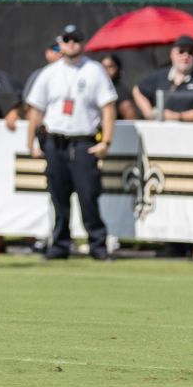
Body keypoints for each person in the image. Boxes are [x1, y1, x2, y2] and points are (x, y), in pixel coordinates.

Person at [25, 24, 118, 260]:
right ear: (61, 43)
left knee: (88, 196)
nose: (72, 44)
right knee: (58, 197)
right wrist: (31, 143)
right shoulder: (49, 73)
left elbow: (108, 108)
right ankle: (59, 245)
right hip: (55, 142)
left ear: (82, 43)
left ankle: (97, 245)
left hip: (83, 142)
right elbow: (36, 109)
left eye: (76, 39)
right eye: (67, 40)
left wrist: (106, 141)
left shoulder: (94, 71)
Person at [133, 35, 193, 121]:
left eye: (190, 52)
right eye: (181, 51)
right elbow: (137, 90)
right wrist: (149, 113)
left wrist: (178, 116)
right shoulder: (160, 75)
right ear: (172, 54)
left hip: (190, 130)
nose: (185, 56)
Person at [4, 40, 62, 132]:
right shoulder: (39, 74)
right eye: (57, 48)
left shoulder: (80, 75)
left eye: (63, 48)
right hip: (44, 132)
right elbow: (27, 104)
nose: (61, 52)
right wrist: (15, 111)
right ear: (47, 53)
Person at [100, 54, 139, 120]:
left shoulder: (121, 92)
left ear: (118, 69)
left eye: (110, 66)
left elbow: (130, 117)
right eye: (103, 67)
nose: (106, 70)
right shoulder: (93, 88)